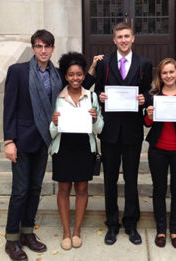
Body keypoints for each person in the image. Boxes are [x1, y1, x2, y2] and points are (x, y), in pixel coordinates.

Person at [3, 29, 62, 261]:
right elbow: (9, 107)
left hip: (43, 140)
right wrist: (9, 141)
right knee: (20, 191)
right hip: (22, 140)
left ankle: (28, 233)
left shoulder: (57, 75)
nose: (43, 50)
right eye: (39, 46)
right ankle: (12, 239)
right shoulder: (18, 71)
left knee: (35, 189)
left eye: (47, 46)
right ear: (33, 48)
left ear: (53, 48)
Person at [95, 22, 152, 245]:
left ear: (133, 38)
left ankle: (131, 222)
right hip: (109, 131)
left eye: (127, 36)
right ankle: (112, 224)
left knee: (130, 178)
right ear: (114, 40)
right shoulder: (104, 63)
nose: (124, 40)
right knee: (109, 179)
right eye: (120, 37)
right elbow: (98, 88)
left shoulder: (144, 63)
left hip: (132, 130)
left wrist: (143, 99)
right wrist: (100, 96)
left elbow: (147, 90)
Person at [50, 52, 103, 250]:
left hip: (84, 147)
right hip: (63, 147)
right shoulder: (57, 97)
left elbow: (100, 129)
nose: (75, 78)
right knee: (64, 190)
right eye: (71, 74)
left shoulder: (92, 96)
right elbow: (51, 131)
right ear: (65, 76)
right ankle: (65, 231)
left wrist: (96, 119)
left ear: (84, 75)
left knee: (82, 189)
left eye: (79, 74)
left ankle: (77, 230)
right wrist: (55, 123)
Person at [144, 58, 176, 248]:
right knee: (159, 190)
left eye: (171, 72)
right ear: (160, 76)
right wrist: (148, 115)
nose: (168, 76)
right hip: (158, 149)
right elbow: (147, 123)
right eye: (164, 73)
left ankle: (174, 231)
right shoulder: (153, 96)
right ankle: (160, 230)